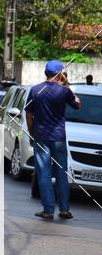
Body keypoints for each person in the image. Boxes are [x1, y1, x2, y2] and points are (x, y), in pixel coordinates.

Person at [25, 60, 81, 221]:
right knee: (61, 173)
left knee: (44, 174)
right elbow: (78, 105)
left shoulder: (35, 90)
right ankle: (64, 210)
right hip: (59, 138)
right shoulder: (64, 91)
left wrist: (31, 134)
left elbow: (29, 114)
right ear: (60, 74)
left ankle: (48, 210)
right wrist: (67, 85)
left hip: (41, 137)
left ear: (46, 73)